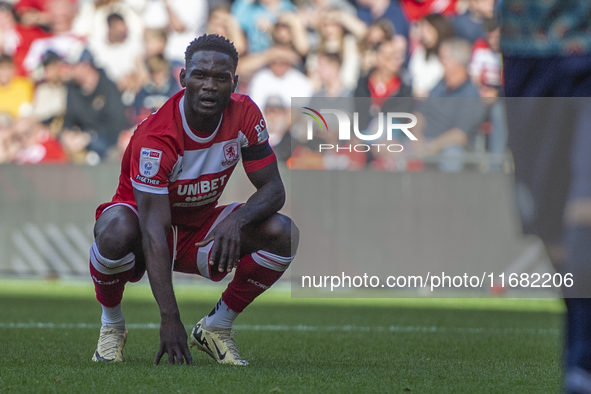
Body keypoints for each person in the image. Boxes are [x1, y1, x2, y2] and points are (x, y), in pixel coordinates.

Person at [90, 34, 299, 366]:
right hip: (142, 230)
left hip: (198, 228)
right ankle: (111, 324)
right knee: (115, 230)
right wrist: (170, 317)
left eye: (220, 77)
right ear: (183, 77)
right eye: (200, 75)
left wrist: (238, 218)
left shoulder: (245, 114)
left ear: (234, 82)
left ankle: (217, 327)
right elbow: (153, 231)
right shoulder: (157, 137)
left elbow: (274, 190)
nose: (209, 85)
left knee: (283, 233)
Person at [500, 1, 591, 392]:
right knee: (549, 229)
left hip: (584, 44)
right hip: (526, 50)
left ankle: (580, 362)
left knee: (583, 218)